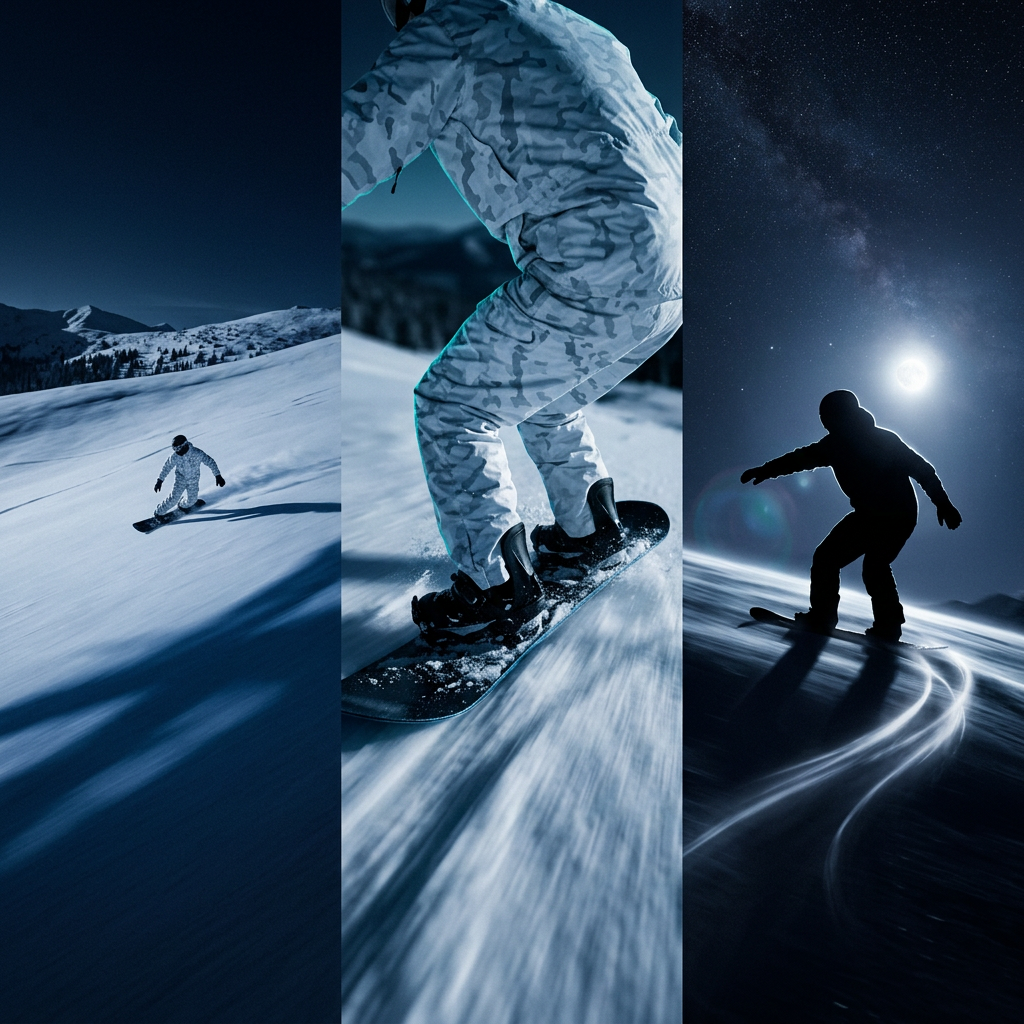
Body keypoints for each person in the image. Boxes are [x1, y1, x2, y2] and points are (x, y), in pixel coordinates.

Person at [343, 0, 682, 631]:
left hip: (596, 259)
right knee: (544, 395)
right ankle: (588, 527)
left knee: (453, 405)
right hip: (675, 268)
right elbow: (661, 130)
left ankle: (496, 593)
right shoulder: (571, 23)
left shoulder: (446, 27)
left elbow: (355, 137)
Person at [740, 390, 961, 642]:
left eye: (829, 417)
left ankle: (888, 626)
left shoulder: (883, 440)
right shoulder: (833, 445)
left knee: (875, 565)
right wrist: (766, 470)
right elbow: (798, 459)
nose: (826, 423)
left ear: (843, 415)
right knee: (826, 558)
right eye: (823, 418)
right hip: (867, 515)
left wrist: (943, 503)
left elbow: (922, 469)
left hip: (898, 514)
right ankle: (823, 617)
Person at [153, 434, 225, 520]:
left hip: (193, 481)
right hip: (180, 480)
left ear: (184, 445)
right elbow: (166, 468)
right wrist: (159, 481)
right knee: (173, 499)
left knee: (192, 501)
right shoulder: (174, 457)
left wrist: (218, 475)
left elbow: (210, 462)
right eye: (174, 449)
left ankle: (182, 505)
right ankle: (158, 512)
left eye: (178, 448)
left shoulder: (197, 453)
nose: (176, 451)